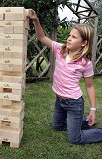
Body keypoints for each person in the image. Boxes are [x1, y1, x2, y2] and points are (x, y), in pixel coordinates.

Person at [28, 9, 102, 144]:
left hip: (74, 103)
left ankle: (97, 131)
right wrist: (35, 20)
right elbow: (42, 37)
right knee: (57, 127)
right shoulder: (60, 49)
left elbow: (90, 86)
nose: (69, 38)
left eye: (74, 37)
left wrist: (93, 110)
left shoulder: (85, 63)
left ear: (84, 43)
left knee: (75, 139)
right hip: (59, 101)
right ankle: (80, 122)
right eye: (69, 35)